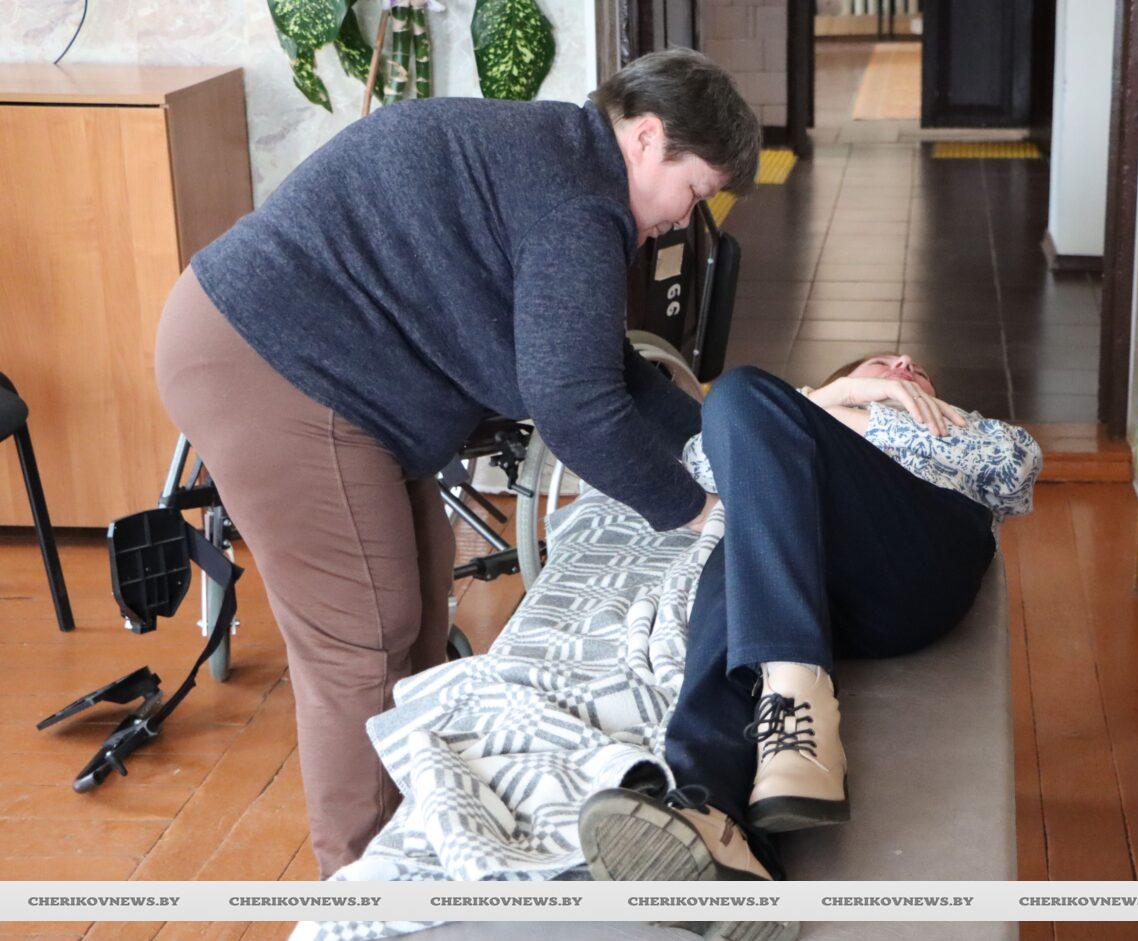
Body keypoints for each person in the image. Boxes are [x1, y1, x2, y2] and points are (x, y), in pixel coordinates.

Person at [153, 49, 758, 877]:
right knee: (365, 640)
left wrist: (721, 442)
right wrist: (696, 511)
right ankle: (373, 895)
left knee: (418, 602)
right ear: (647, 139)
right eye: (694, 192)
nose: (685, 221)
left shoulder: (565, 162)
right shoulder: (582, 202)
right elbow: (576, 405)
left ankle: (432, 833)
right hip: (269, 362)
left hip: (317, 365)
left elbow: (604, 368)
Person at [578, 354, 1042, 888]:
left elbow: (1016, 467)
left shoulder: (965, 427)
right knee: (737, 553)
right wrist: (824, 401)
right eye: (880, 363)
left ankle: (799, 713)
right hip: (815, 600)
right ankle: (715, 819)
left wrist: (826, 413)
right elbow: (703, 465)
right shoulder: (785, 419)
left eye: (915, 369)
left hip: (918, 570)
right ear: (841, 383)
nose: (904, 361)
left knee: (739, 396)